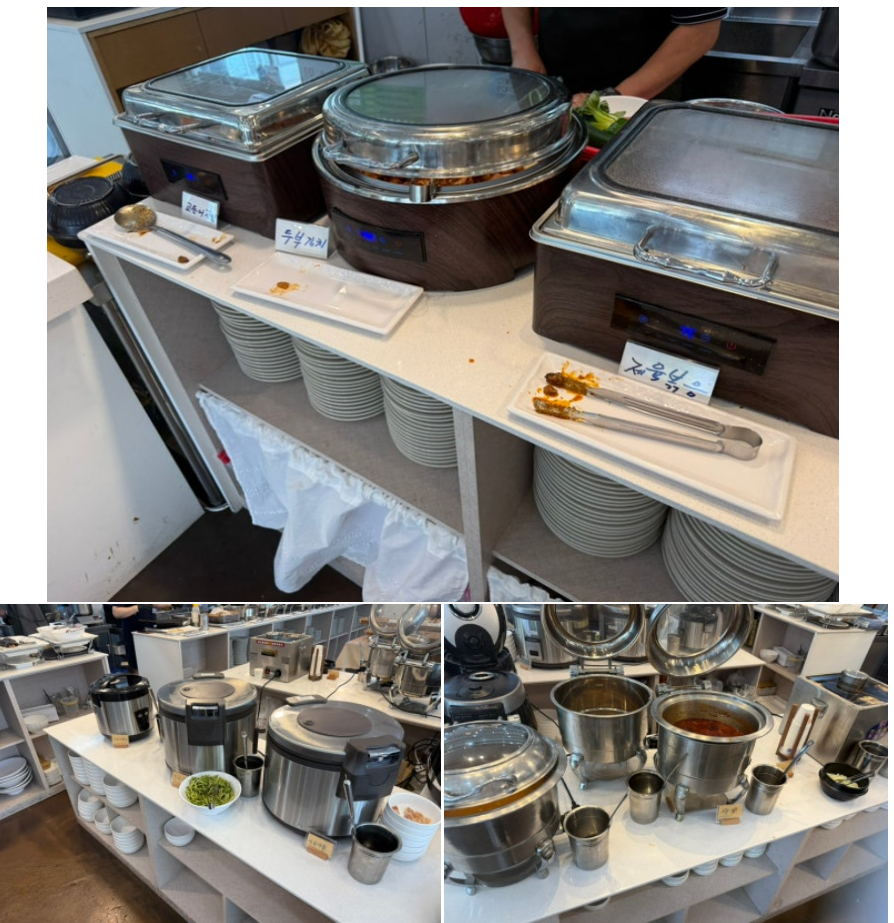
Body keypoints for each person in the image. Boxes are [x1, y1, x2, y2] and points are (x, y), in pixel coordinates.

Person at [502, 8, 728, 105]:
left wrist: (617, 97)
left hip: (643, 95)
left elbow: (701, 31)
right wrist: (523, 52)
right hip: (557, 81)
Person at [103, 605, 155, 671]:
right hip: (133, 634)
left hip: (150, 632)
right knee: (137, 667)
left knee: (153, 665)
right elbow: (116, 613)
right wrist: (137, 607)